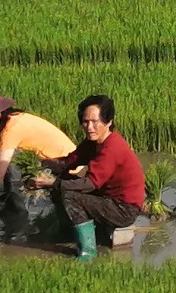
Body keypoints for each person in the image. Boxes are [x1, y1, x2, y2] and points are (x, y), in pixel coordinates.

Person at [34, 94, 146, 260]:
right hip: (106, 198)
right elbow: (67, 163)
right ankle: (67, 230)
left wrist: (53, 183)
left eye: (95, 121)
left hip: (123, 208)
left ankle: (88, 251)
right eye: (85, 122)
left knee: (69, 192)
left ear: (108, 122)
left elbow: (90, 184)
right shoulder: (92, 142)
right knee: (64, 183)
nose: (90, 127)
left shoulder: (111, 147)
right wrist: (40, 164)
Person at [0, 87, 74, 244]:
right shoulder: (12, 123)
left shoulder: (12, 129)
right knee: (7, 161)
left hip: (66, 170)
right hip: (54, 164)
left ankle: (21, 221)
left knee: (10, 163)